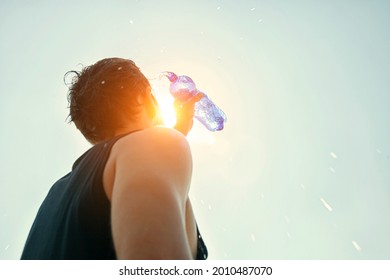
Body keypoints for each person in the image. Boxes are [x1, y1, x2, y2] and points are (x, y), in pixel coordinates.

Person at [21, 57, 208, 260]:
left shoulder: (56, 195)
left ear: (90, 131)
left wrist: (172, 136)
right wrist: (167, 141)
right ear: (143, 97)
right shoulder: (153, 146)